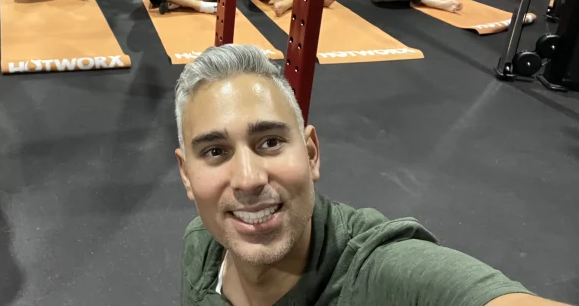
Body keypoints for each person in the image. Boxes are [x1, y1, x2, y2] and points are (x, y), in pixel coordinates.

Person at [175, 44, 567, 306]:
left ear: (311, 153)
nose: (248, 179)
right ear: (186, 175)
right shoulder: (203, 247)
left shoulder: (377, 272)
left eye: (271, 142)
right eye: (215, 152)